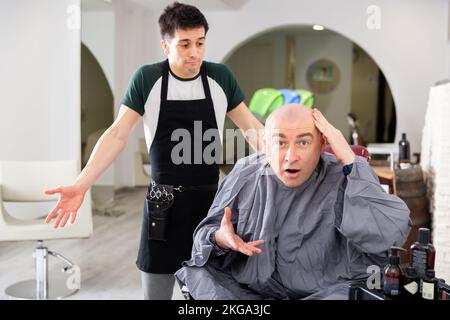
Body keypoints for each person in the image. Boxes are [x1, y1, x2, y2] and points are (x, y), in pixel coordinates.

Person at [44, 2, 263, 300]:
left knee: (207, 295)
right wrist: (82, 183)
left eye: (200, 43)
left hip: (210, 207)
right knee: (156, 295)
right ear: (165, 45)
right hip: (164, 207)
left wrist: (283, 166)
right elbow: (118, 134)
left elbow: (252, 129)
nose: (194, 52)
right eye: (185, 44)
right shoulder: (148, 79)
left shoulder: (220, 77)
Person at [175, 104, 411, 300]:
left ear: (321, 143)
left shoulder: (343, 175)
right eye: (280, 142)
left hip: (325, 290)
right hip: (250, 290)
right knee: (201, 275)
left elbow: (390, 234)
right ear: (266, 144)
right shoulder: (246, 172)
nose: (291, 156)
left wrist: (349, 159)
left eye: (303, 142)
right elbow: (204, 238)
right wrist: (220, 239)